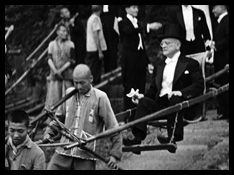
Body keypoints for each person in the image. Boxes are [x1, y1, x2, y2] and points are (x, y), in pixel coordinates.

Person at [123, 24, 204, 154]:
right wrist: (141, 97)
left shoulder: (190, 64)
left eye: (167, 43)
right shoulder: (159, 66)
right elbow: (152, 91)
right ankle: (137, 138)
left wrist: (181, 92)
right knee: (144, 102)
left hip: (181, 104)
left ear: (178, 45)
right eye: (162, 44)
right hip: (161, 104)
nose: (163, 46)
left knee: (175, 98)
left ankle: (172, 137)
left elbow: (199, 85)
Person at [44, 64, 122, 170]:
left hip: (86, 154)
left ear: (91, 79)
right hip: (63, 152)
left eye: (82, 83)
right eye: (76, 83)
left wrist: (114, 154)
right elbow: (58, 119)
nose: (79, 87)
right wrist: (49, 133)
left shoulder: (100, 97)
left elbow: (113, 127)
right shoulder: (68, 94)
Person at [118, 5, 163, 111]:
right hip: (129, 61)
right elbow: (130, 31)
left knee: (140, 85)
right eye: (133, 7)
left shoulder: (137, 22)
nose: (136, 10)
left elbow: (141, 46)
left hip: (139, 61)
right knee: (130, 87)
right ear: (126, 9)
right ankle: (129, 114)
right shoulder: (122, 22)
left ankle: (139, 112)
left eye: (137, 8)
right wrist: (148, 26)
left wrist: (147, 62)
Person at [45, 23, 75, 109]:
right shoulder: (52, 44)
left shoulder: (71, 44)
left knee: (68, 98)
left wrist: (61, 70)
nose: (65, 33)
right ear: (57, 32)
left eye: (66, 31)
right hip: (54, 76)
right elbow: (49, 58)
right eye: (63, 31)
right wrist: (55, 70)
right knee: (54, 98)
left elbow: (72, 60)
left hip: (67, 75)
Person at [210, 5, 229, 121]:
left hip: (226, 59)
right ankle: (224, 112)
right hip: (220, 60)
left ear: (222, 7)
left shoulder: (227, 21)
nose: (212, 11)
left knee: (226, 85)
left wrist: (216, 45)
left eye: (214, 8)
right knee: (221, 85)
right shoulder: (219, 22)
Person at [86, 5, 107, 85]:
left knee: (93, 68)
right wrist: (100, 51)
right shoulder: (95, 19)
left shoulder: (90, 18)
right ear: (100, 9)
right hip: (94, 48)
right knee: (95, 69)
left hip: (90, 47)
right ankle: (94, 85)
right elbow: (96, 35)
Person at [101, 5, 120, 73]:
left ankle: (113, 69)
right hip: (103, 20)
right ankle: (107, 70)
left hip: (112, 21)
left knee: (112, 46)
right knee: (105, 47)